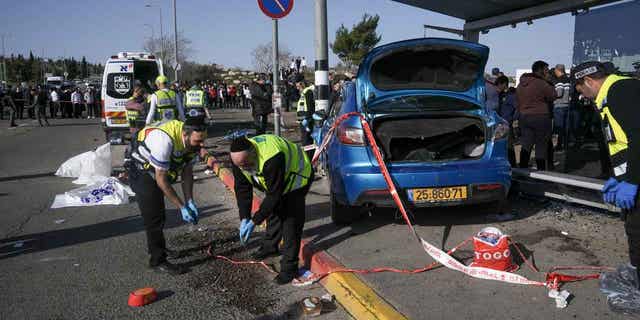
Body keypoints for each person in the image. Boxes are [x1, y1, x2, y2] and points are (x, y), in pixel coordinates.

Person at [572, 61, 640, 307]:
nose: (581, 94)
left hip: (637, 177)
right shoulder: (611, 98)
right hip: (632, 174)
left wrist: (631, 182)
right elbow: (621, 144)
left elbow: (638, 138)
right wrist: (617, 178)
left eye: (580, 88)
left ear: (588, 81)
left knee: (637, 229)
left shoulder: (621, 91)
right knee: (633, 227)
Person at [126, 110, 208, 275]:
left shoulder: (191, 140)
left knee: (160, 214)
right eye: (198, 141)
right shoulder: (164, 141)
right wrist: (182, 206)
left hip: (157, 169)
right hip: (141, 170)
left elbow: (187, 172)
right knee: (153, 216)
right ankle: (157, 261)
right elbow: (161, 179)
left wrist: (190, 200)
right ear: (185, 134)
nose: (201, 145)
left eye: (203, 140)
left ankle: (161, 248)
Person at [230, 135, 313, 284]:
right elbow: (242, 189)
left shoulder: (272, 157)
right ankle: (270, 246)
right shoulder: (238, 160)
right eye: (239, 166)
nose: (243, 169)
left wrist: (255, 221)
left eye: (245, 164)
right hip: (279, 182)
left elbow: (274, 194)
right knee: (274, 210)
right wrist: (244, 217)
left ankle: (289, 268)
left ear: (254, 152)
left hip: (298, 177)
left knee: (290, 221)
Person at [516, 60, 556, 170]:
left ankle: (522, 170)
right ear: (541, 70)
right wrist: (550, 82)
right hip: (541, 117)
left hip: (524, 117)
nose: (548, 72)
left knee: (526, 145)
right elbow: (553, 96)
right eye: (546, 70)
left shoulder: (521, 84)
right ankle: (541, 173)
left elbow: (518, 101)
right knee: (541, 146)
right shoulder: (542, 83)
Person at [495, 76, 518, 167]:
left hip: (506, 123)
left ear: (504, 84)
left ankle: (513, 167)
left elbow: (518, 108)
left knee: (509, 147)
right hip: (497, 124)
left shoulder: (511, 96)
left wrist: (513, 118)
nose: (498, 87)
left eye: (499, 84)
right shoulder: (499, 95)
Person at [552, 64, 571, 151]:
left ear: (557, 70)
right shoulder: (568, 79)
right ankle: (566, 146)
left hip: (559, 106)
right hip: (567, 105)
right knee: (566, 128)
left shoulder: (559, 80)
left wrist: (551, 95)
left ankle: (559, 146)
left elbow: (559, 93)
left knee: (559, 128)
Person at [295, 74, 315, 146]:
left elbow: (310, 107)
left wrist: (307, 119)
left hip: (307, 122)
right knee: (305, 141)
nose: (296, 86)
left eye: (297, 83)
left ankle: (308, 156)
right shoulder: (303, 93)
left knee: (306, 142)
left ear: (301, 83)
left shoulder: (307, 92)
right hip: (303, 121)